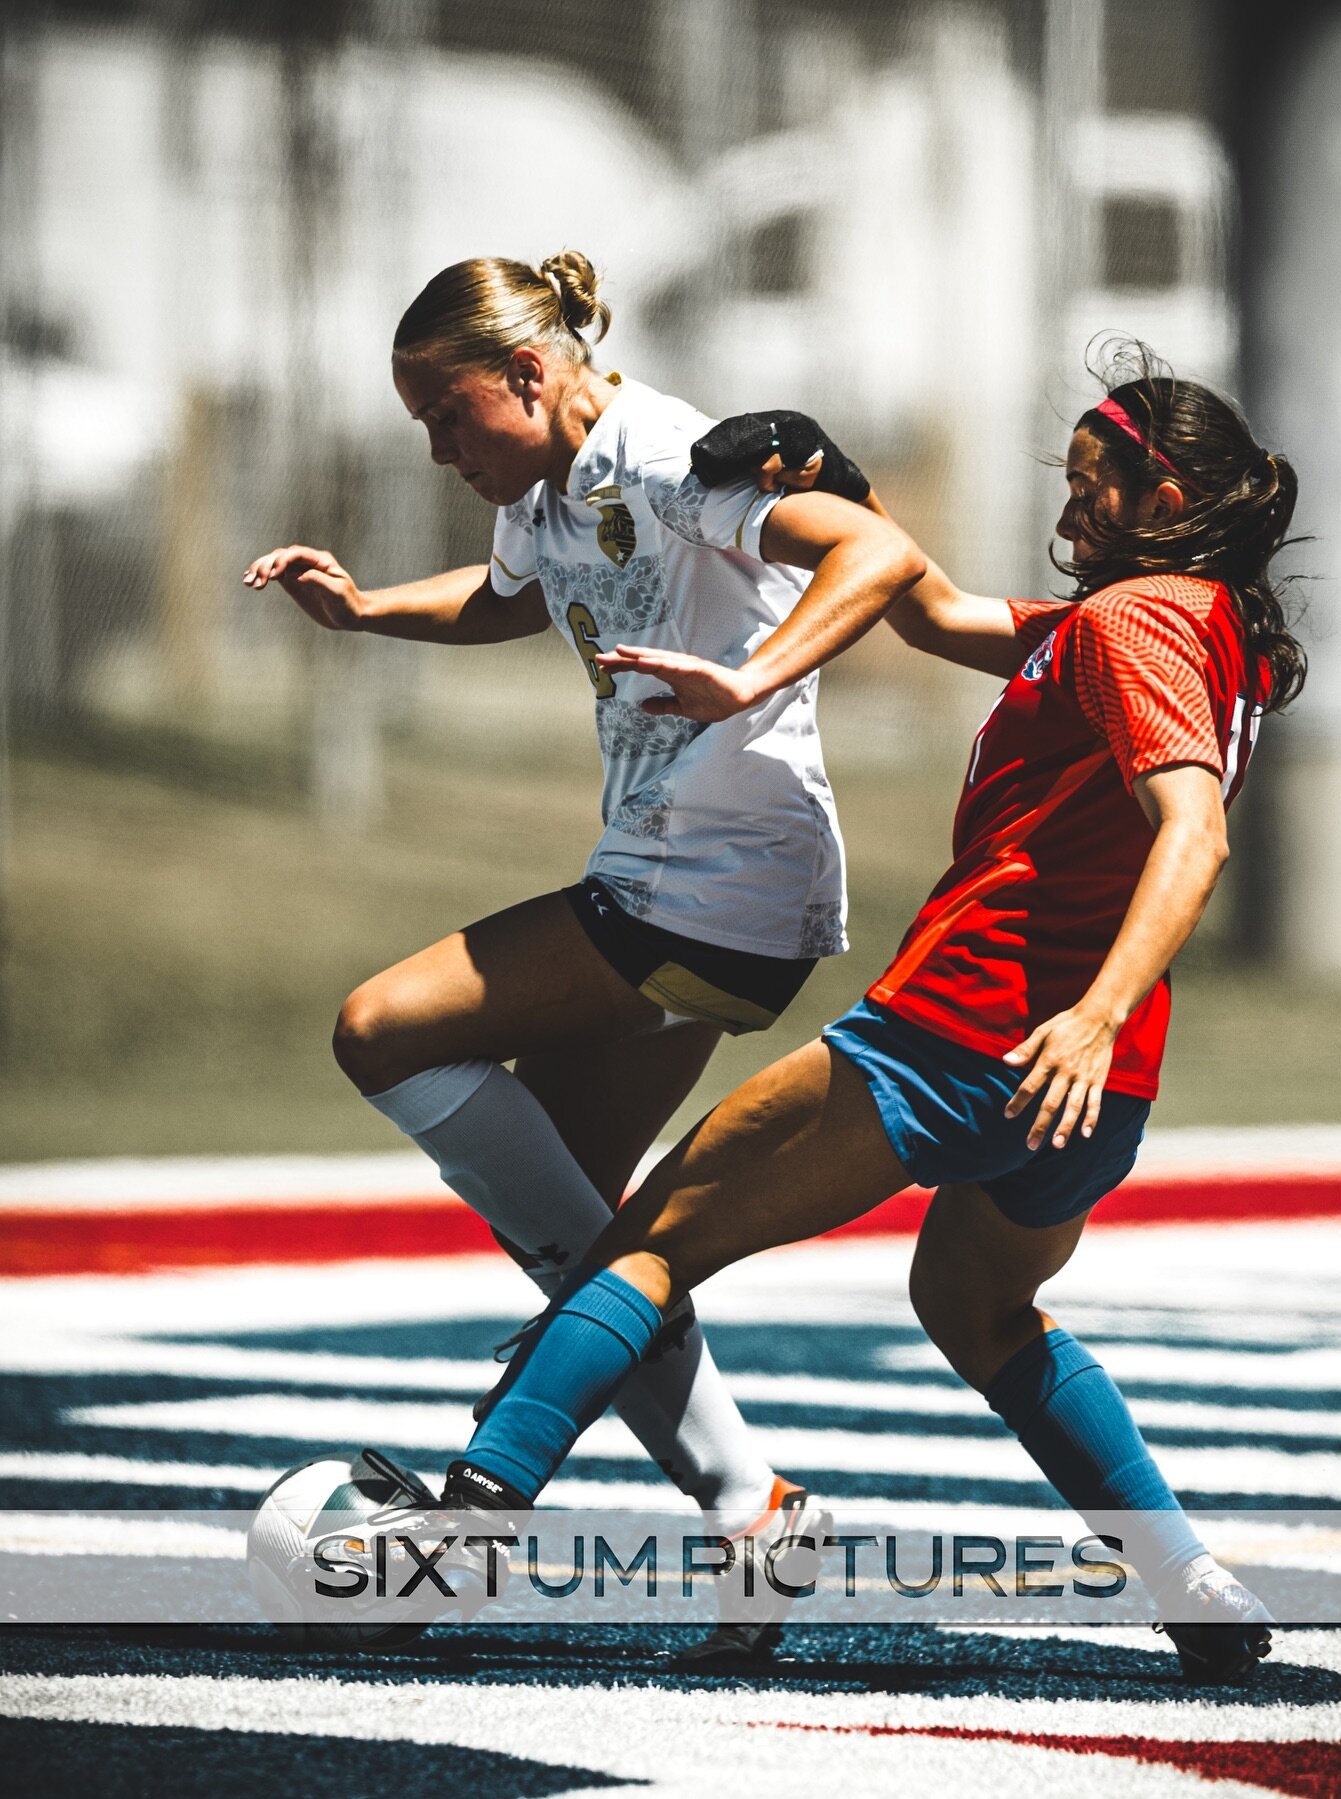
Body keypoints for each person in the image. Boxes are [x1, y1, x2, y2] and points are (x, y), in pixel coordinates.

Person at [443, 346, 1306, 1684]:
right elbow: (935, 613)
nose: (1068, 513)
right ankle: (1187, 1579)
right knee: (976, 1303)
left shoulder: (1134, 626)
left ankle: (461, 1524)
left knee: (655, 1237)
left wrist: (1088, 1010)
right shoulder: (1182, 625)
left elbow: (1189, 835)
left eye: (1093, 490)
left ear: (1170, 495)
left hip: (983, 1027)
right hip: (1093, 1090)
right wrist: (848, 492)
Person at [242, 252, 927, 1656]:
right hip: (701, 896)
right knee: (590, 1250)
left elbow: (876, 550)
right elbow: (513, 600)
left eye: (446, 414)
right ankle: (757, 1515)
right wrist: (367, 609)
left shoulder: (667, 454)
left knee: (378, 1027)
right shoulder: (554, 493)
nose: (434, 447)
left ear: (533, 375)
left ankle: (496, 1504)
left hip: (711, 888)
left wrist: (756, 670)